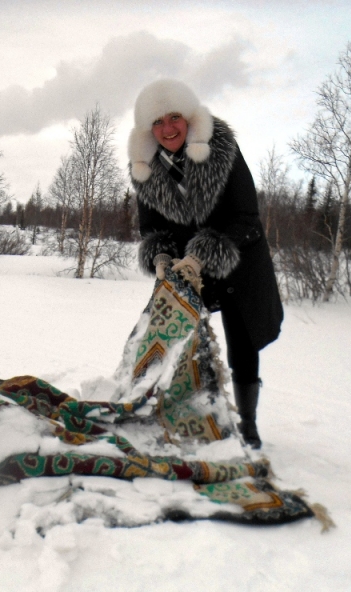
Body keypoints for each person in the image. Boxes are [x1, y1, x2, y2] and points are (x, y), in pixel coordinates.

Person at [128, 79, 283, 449]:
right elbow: (152, 227)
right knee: (182, 340)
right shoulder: (145, 166)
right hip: (187, 271)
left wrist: (202, 254)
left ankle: (248, 423)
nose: (168, 128)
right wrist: (162, 256)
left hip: (239, 260)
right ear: (148, 129)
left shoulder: (222, 148)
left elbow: (245, 215)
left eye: (175, 117)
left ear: (189, 117)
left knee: (242, 342)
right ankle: (190, 412)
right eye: (158, 122)